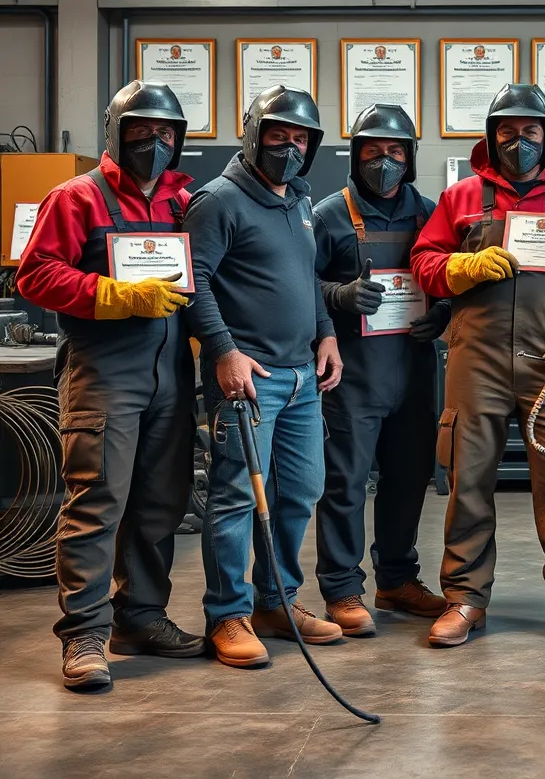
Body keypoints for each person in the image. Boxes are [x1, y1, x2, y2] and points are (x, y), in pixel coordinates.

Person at [410, 83, 545, 651]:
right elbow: (424, 263)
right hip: (474, 359)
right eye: (508, 130)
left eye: (531, 130)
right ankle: (464, 600)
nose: (519, 140)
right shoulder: (461, 198)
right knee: (468, 481)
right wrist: (465, 266)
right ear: (490, 134)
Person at [17, 80, 203, 690]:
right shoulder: (76, 198)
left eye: (166, 133)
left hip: (172, 372)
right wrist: (110, 294)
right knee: (97, 503)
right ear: (115, 134)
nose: (154, 143)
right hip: (104, 372)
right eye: (141, 132)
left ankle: (142, 618)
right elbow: (36, 276)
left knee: (159, 505)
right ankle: (85, 635)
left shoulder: (183, 204)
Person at [184, 85, 344, 669]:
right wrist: (224, 351)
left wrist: (325, 332)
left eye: (301, 138)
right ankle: (228, 614)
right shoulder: (218, 201)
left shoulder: (298, 200)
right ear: (254, 135)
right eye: (279, 135)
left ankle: (278, 601)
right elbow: (192, 283)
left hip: (303, 378)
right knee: (235, 498)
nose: (290, 147)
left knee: (300, 491)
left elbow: (308, 277)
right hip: (249, 380)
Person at [313, 104, 449, 636]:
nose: (384, 161)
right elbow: (299, 285)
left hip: (414, 369)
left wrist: (444, 310)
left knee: (409, 478)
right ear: (356, 154)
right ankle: (343, 587)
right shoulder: (327, 215)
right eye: (374, 151)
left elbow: (449, 278)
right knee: (345, 482)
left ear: (411, 156)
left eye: (395, 151)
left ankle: (396, 579)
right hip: (351, 374)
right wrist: (339, 294)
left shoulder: (432, 213)